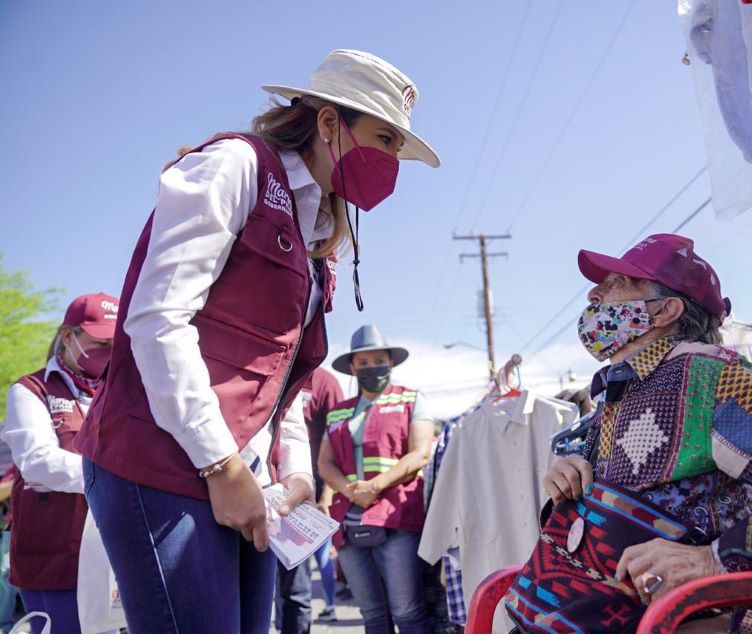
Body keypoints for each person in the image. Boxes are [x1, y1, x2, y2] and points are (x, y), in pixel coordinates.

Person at [73, 49, 440, 634]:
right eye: (386, 138)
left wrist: (289, 471)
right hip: (162, 462)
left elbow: (283, 380)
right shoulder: (234, 166)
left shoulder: (321, 231)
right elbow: (157, 318)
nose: (393, 159)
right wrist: (221, 466)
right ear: (328, 122)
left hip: (247, 479)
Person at [506, 234, 752, 633]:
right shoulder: (625, 385)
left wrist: (716, 559)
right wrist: (571, 479)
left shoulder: (709, 378)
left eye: (617, 283)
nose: (594, 293)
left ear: (665, 310)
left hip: (680, 619)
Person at [2, 293, 119, 633]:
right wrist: (113, 476)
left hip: (109, 554)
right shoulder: (31, 390)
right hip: (52, 557)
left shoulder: (120, 393)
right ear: (68, 337)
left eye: (115, 343)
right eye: (100, 342)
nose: (109, 351)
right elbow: (37, 461)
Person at [318, 325, 434, 634]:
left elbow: (420, 453)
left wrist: (374, 486)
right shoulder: (337, 412)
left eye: (378, 360)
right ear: (353, 367)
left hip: (397, 517)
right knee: (372, 614)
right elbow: (325, 463)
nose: (372, 368)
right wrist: (349, 490)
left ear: (391, 362)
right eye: (364, 363)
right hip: (349, 520)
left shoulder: (411, 399)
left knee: (407, 610)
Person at [274, 368, 343, 632]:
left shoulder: (324, 382)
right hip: (256, 488)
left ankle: (327, 607)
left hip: (302, 496)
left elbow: (337, 445)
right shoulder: (266, 366)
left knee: (296, 587)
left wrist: (326, 495)